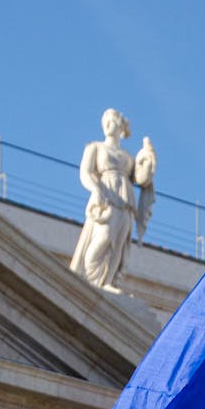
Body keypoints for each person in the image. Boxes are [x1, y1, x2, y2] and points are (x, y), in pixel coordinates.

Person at [69, 108, 154, 291]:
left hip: (126, 201)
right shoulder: (95, 147)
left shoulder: (127, 157)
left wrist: (148, 158)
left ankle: (107, 281)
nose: (107, 125)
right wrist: (96, 189)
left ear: (120, 126)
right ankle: (91, 279)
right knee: (103, 236)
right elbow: (85, 173)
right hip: (105, 198)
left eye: (111, 121)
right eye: (105, 121)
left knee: (118, 243)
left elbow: (141, 179)